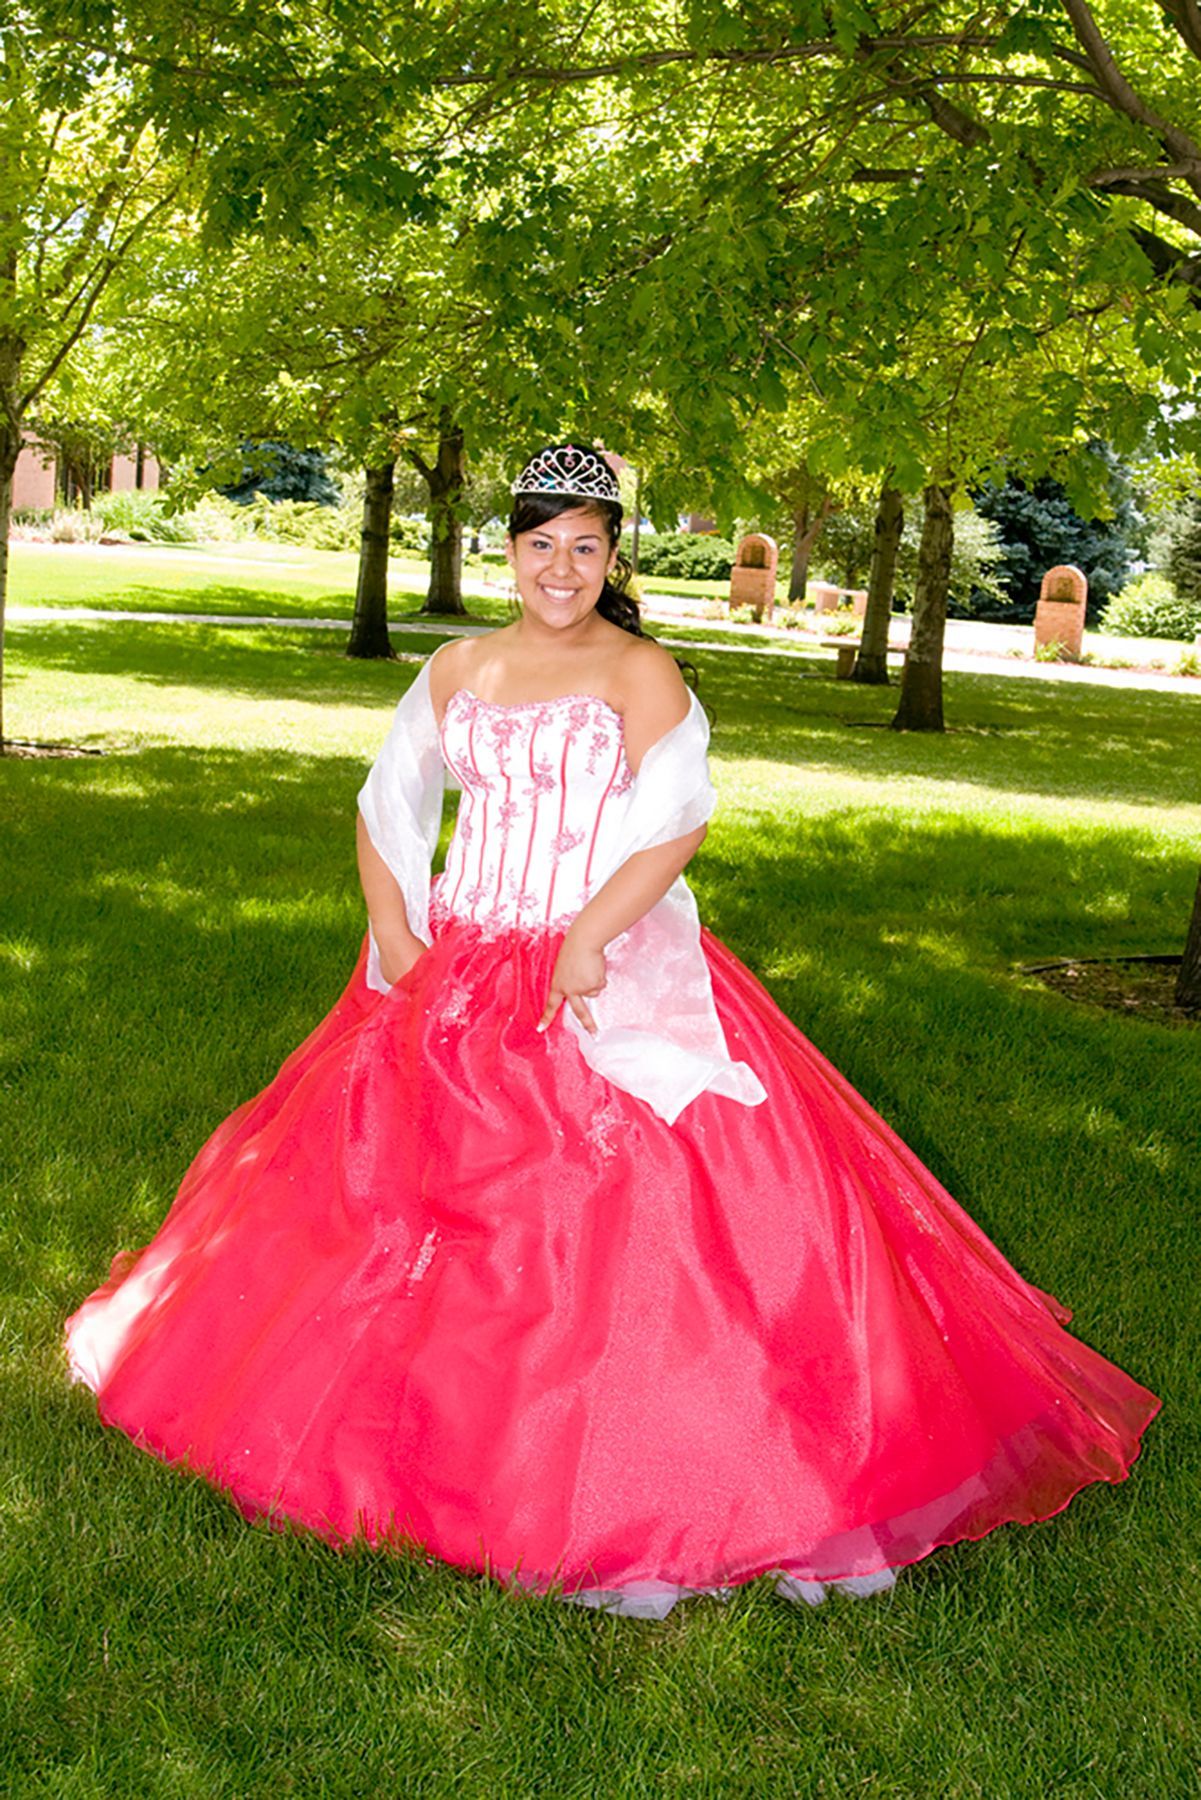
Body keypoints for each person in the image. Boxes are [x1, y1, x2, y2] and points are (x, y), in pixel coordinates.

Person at [66, 442, 1159, 1620]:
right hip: (461, 958)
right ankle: (417, 1432)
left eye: (584, 547)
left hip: (595, 955)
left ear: (609, 557)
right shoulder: (459, 666)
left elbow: (674, 824)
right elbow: (388, 804)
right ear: (510, 550)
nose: (560, 568)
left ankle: (644, 1467)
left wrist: (588, 938)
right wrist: (394, 929)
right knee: (400, 1196)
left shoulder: (642, 672)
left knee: (608, 1212)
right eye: (541, 544)